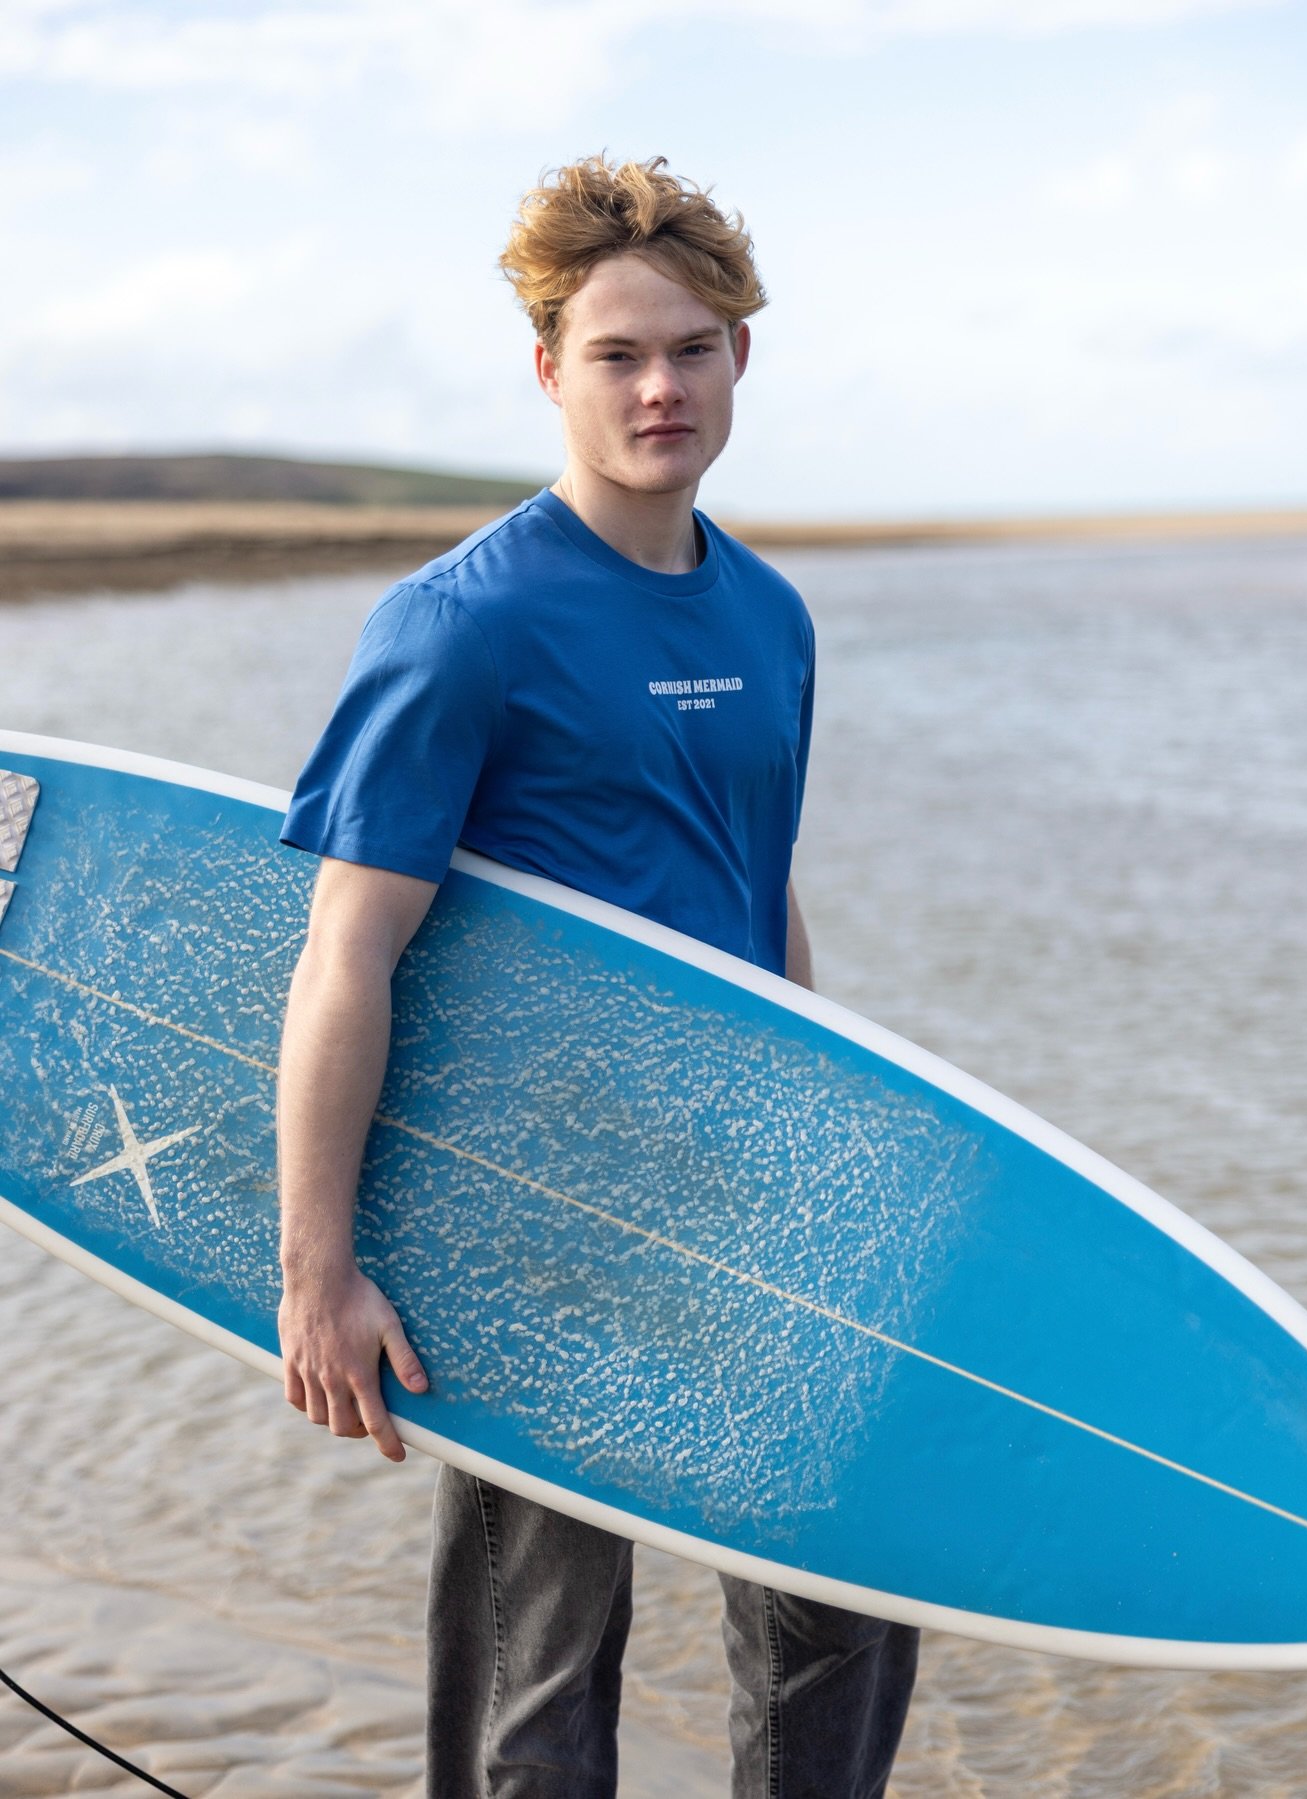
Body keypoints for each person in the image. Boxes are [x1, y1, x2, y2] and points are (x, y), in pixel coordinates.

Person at [275, 153, 918, 1799]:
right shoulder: (460, 626)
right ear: (547, 368)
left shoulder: (771, 614)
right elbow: (349, 951)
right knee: (541, 1668)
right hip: (535, 1216)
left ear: (740, 361)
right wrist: (318, 1270)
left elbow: (760, 893)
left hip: (744, 1197)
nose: (659, 387)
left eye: (692, 349)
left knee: (848, 1602)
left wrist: (827, 1145)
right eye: (620, 353)